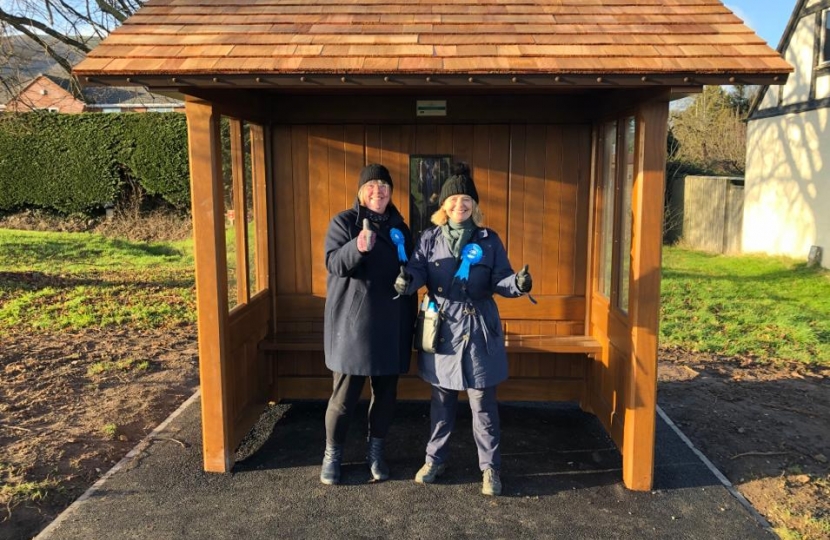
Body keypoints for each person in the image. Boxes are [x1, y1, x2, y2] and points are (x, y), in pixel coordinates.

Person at [394, 162, 533, 497]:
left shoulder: (489, 239)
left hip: (480, 328)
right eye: (454, 200)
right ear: (443, 206)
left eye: (466, 200)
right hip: (442, 327)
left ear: (475, 205)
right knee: (441, 400)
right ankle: (434, 460)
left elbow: (502, 279)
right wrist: (407, 281)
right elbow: (416, 271)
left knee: (482, 403)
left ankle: (490, 469)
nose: (461, 205)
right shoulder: (429, 238)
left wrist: (519, 283)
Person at [321, 163, 416, 485]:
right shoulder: (344, 222)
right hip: (353, 324)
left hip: (393, 322)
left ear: (391, 192)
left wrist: (411, 280)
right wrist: (357, 247)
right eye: (372, 186)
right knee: (344, 397)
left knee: (386, 395)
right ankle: (332, 454)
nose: (378, 191)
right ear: (361, 192)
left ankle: (376, 452)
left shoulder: (400, 227)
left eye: (384, 186)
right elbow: (333, 263)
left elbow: (414, 266)